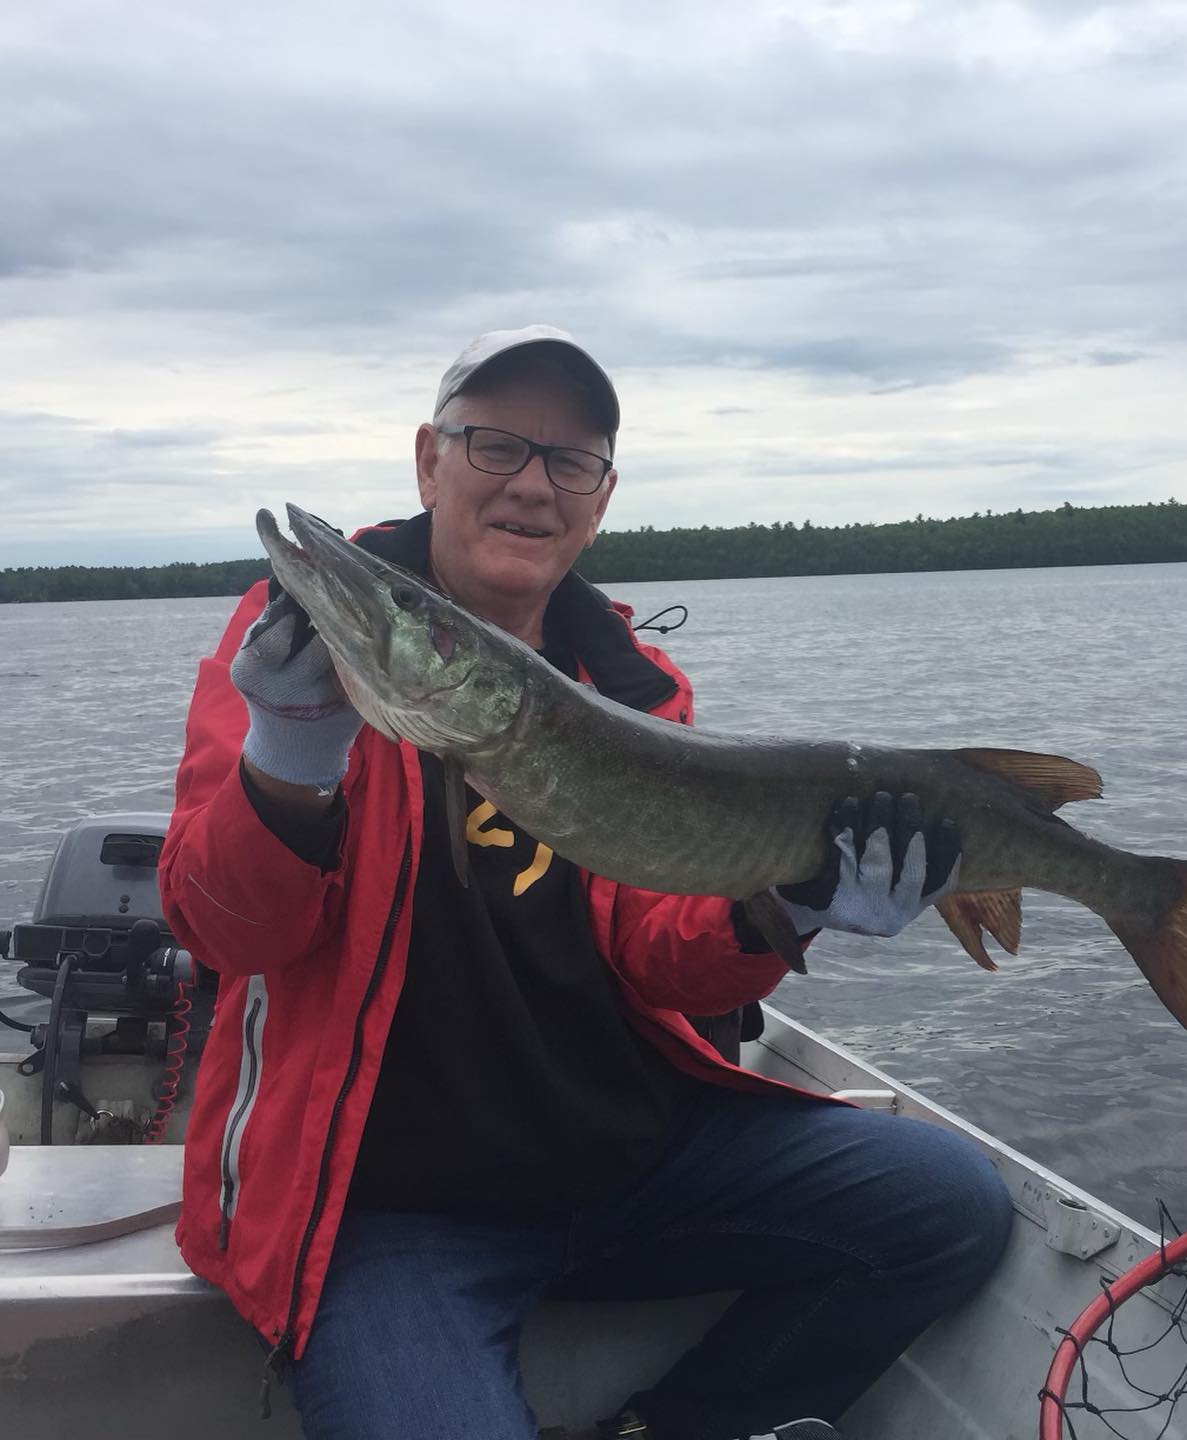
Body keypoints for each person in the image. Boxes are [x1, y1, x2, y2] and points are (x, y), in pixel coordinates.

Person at [158, 325, 1014, 1440]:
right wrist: (289, 767)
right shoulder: (298, 648)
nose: (533, 485)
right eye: (497, 445)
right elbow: (224, 932)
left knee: (948, 1206)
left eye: (572, 462)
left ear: (601, 498)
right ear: (430, 461)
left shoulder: (635, 686)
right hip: (386, 1209)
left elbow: (659, 950)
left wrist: (784, 902)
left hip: (628, 1169)